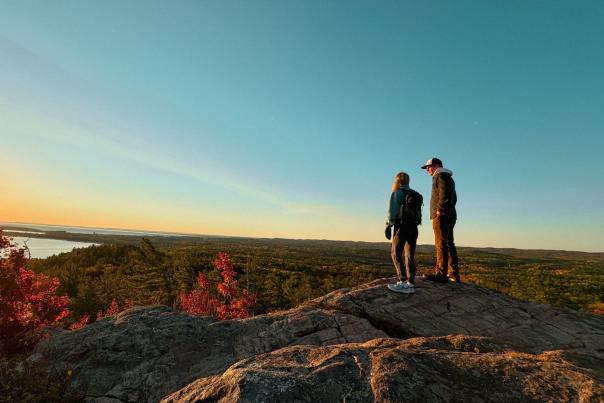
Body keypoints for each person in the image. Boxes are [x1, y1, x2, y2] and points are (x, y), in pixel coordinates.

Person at [421, 157, 460, 283]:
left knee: (441, 243)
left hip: (442, 215)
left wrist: (440, 209)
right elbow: (453, 197)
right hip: (450, 213)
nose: (427, 170)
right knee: (449, 243)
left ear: (436, 165)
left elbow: (445, 194)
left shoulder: (440, 176)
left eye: (429, 167)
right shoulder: (448, 177)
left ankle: (441, 274)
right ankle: (453, 273)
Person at [385, 171, 422, 293]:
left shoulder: (397, 193)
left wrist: (388, 225)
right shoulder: (415, 194)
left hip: (401, 227)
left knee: (395, 254)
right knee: (409, 255)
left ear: (397, 181)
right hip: (414, 228)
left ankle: (402, 281)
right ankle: (410, 284)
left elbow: (392, 212)